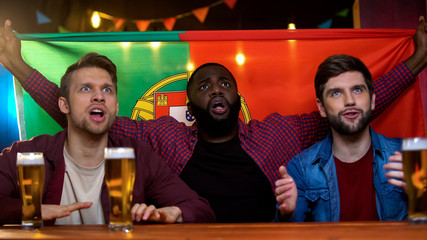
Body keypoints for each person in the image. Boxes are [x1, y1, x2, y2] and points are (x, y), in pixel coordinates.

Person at [0, 17, 426, 222]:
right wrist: (19, 68)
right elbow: (89, 115)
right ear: (190, 107)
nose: (216, 89)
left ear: (238, 98)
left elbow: (350, 108)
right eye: (204, 87)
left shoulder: (277, 132)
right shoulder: (165, 138)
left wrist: (419, 58)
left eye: (224, 83)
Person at [0, 53, 215, 225]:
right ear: (64, 105)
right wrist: (31, 210)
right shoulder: (26, 155)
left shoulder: (138, 155)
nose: (99, 96)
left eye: (107, 90)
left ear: (116, 107)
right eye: (85, 88)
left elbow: (201, 209)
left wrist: (173, 213)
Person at [275, 54, 408, 222]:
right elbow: (290, 236)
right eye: (336, 93)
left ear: (373, 100)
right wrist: (287, 215)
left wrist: (421, 195)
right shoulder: (302, 169)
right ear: (321, 107)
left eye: (357, 90)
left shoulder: (408, 156)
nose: (350, 101)